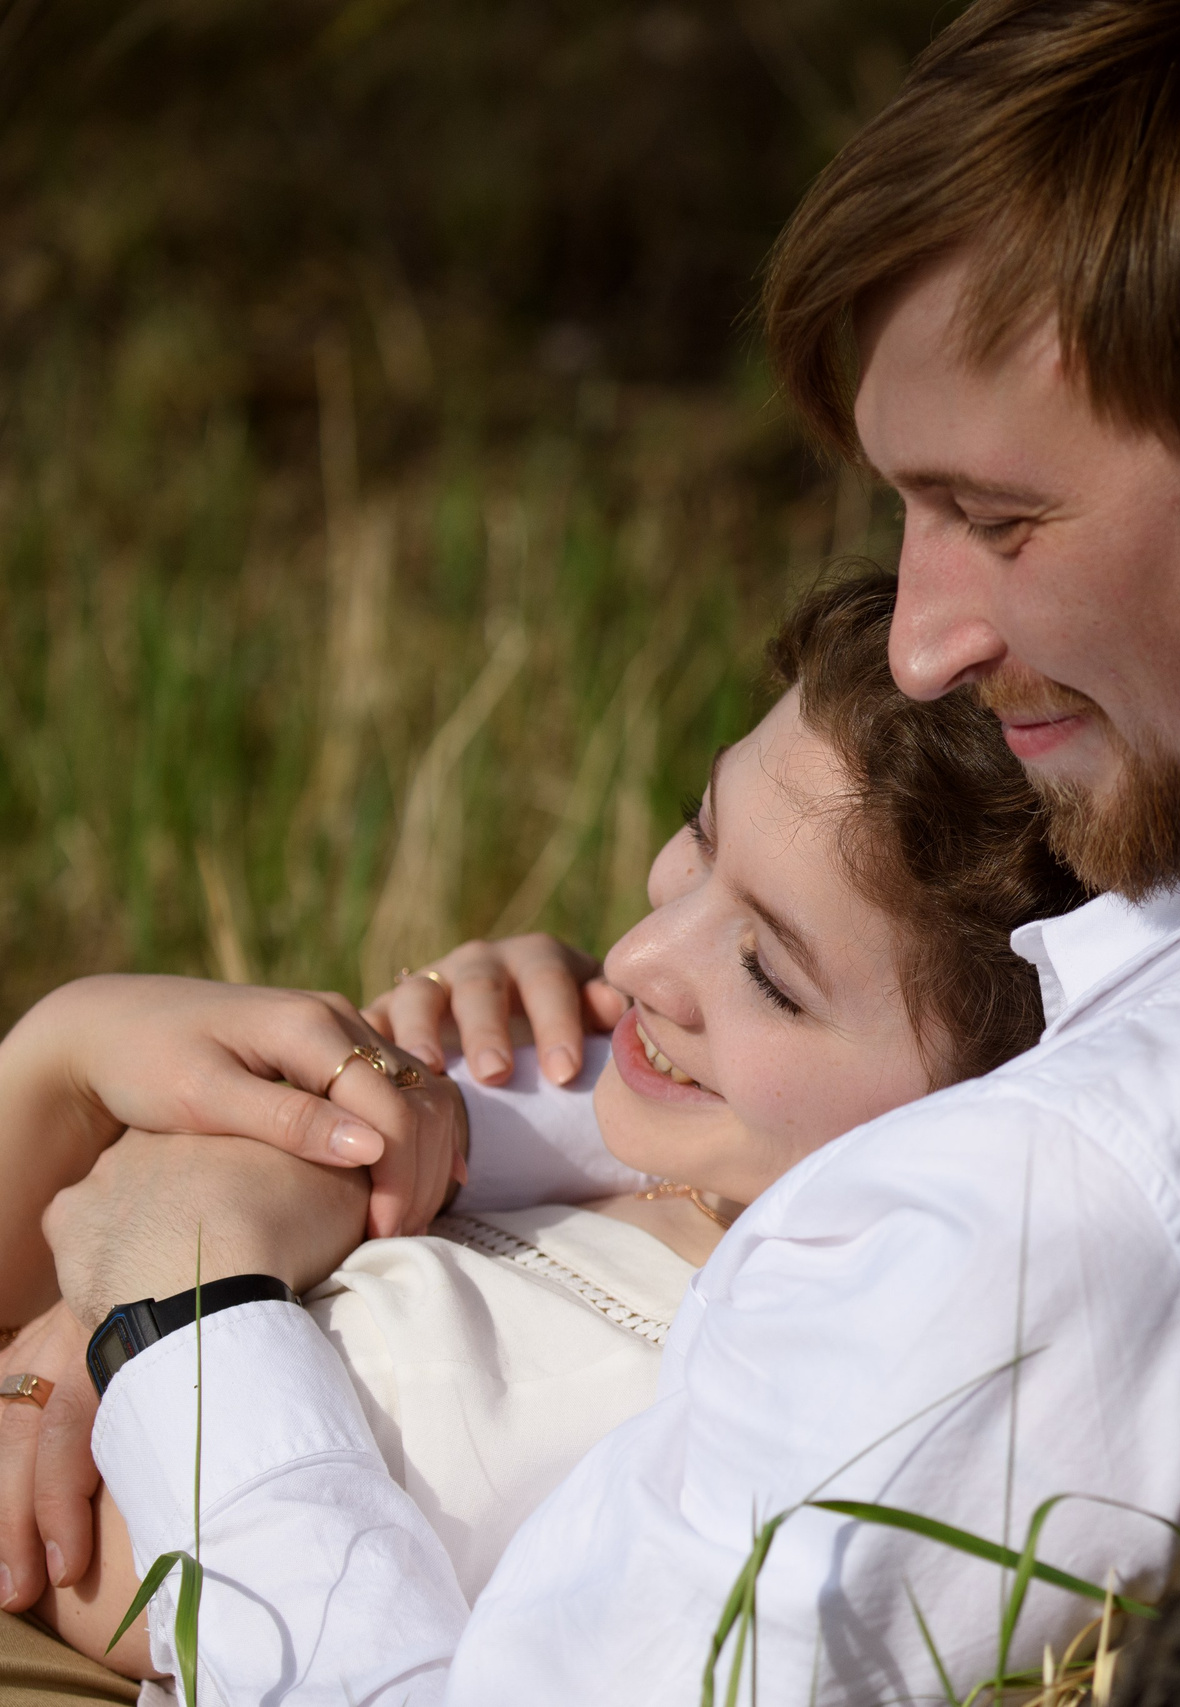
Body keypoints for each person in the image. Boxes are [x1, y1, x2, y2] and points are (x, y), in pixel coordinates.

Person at [4, 0, 1180, 1698]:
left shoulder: (1041, 1210)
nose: (921, 641)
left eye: (1002, 518)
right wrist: (99, 1068)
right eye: (909, 508)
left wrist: (181, 1324)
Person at [1, 575, 1084, 1686]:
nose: (637, 956)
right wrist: (78, 1052)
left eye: (769, 974)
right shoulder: (606, 1116)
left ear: (981, 1114)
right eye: (701, 837)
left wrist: (160, 1308)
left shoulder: (748, 1424)